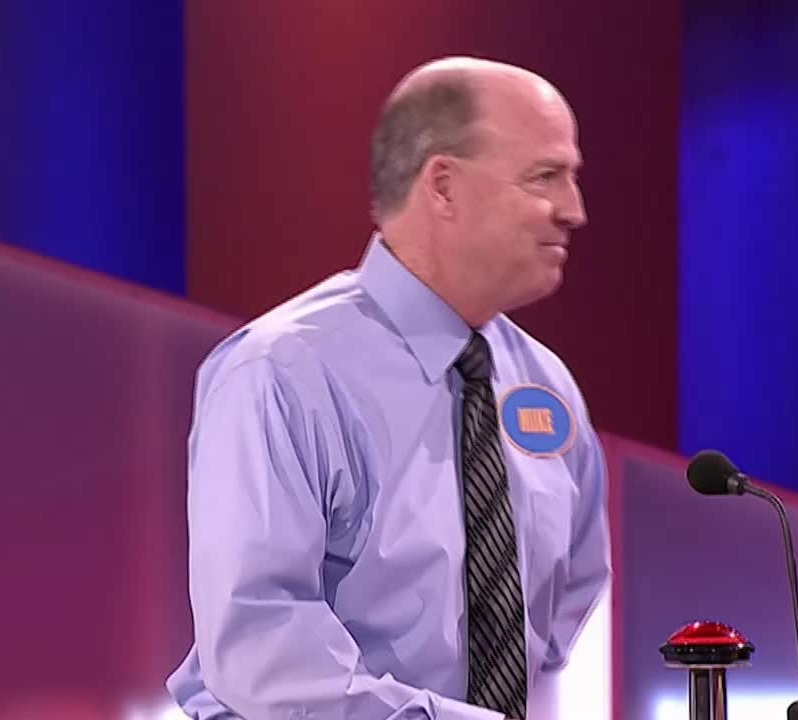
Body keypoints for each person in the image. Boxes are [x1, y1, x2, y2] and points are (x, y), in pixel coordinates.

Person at [166, 56, 611, 720]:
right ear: (443, 186)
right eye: (545, 177)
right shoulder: (282, 371)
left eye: (572, 178)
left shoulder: (544, 385)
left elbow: (567, 606)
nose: (574, 210)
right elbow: (260, 653)